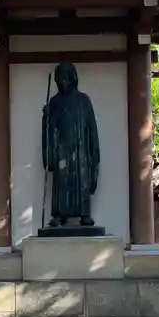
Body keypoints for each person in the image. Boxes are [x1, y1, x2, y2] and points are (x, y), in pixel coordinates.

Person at [42, 62, 100, 227]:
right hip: (61, 149)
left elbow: (92, 129)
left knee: (81, 180)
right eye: (58, 80)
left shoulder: (83, 100)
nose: (60, 82)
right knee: (61, 181)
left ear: (72, 78)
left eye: (63, 79)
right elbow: (50, 128)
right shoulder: (54, 102)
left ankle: (84, 214)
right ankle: (59, 214)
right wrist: (46, 118)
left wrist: (93, 153)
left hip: (81, 149)